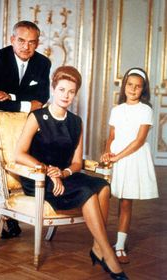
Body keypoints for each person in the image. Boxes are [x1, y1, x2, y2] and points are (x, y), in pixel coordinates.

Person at [15, 66, 128, 280]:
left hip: (66, 176)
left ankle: (97, 248)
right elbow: (19, 154)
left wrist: (64, 173)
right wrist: (49, 172)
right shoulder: (37, 117)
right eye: (61, 90)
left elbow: (77, 162)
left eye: (71, 91)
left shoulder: (76, 122)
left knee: (103, 187)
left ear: (75, 94)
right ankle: (109, 255)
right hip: (39, 178)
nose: (66, 95)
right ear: (53, 89)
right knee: (87, 192)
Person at [0, 20, 51, 238]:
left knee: (22, 169)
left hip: (27, 126)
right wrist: (26, 103)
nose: (26, 47)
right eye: (21, 41)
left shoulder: (43, 63)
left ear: (37, 43)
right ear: (12, 39)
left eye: (32, 42)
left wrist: (11, 96)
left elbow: (42, 98)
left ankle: (16, 215)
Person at [101, 67, 159, 264]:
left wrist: (118, 157)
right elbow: (111, 137)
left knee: (125, 202)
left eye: (138, 86)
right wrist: (108, 153)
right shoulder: (117, 110)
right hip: (116, 158)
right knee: (106, 198)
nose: (133, 89)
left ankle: (119, 246)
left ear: (143, 90)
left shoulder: (146, 110)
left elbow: (139, 141)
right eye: (130, 85)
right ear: (124, 86)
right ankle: (100, 242)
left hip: (132, 158)